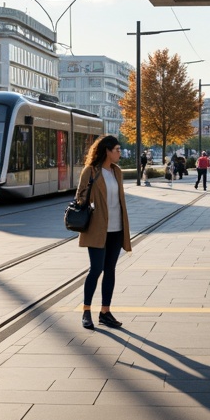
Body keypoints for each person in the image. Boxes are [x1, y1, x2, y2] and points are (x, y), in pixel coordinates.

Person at [74, 135, 132, 331]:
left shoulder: (117, 172)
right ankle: (86, 311)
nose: (119, 153)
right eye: (116, 149)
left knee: (110, 271)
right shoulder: (90, 171)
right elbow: (80, 197)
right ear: (106, 150)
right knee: (96, 269)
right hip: (98, 228)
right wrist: (89, 199)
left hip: (116, 228)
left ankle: (105, 312)